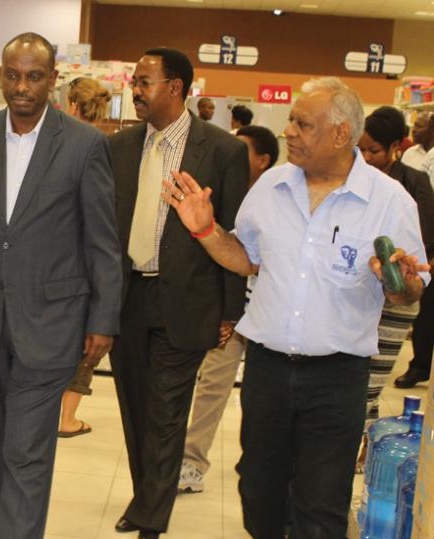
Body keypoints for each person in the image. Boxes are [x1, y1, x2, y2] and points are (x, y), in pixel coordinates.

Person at [162, 77, 430, 539]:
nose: (288, 131)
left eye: (302, 124)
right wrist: (207, 231)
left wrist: (403, 282)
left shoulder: (389, 201)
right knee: (258, 492)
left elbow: (409, 289)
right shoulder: (271, 185)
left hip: (337, 376)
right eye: (291, 121)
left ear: (341, 134)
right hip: (266, 371)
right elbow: (246, 257)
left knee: (321, 504)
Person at [0, 33, 121, 539]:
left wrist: (104, 320)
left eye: (34, 76)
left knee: (26, 456)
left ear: (53, 80)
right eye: (13, 75)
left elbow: (102, 242)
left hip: (52, 326)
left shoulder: (84, 145)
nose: (22, 86)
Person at [107, 47, 249, 539]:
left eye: (145, 81)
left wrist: (232, 310)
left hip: (187, 302)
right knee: (135, 409)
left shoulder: (223, 151)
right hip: (128, 299)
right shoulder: (121, 147)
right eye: (134, 81)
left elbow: (234, 234)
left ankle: (151, 519)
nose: (135, 90)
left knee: (166, 412)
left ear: (176, 87)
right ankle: (145, 496)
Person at [179, 125, 279, 494]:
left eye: (243, 150)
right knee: (212, 385)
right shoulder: (223, 193)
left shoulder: (278, 197)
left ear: (264, 160)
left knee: (264, 397)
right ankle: (191, 461)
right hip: (234, 315)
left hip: (273, 318)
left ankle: (256, 462)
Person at [355, 105, 434, 467]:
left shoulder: (413, 182)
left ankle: (369, 448)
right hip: (359, 291)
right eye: (363, 149)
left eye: (374, 150)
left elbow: (423, 242)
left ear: (393, 148)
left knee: (372, 380)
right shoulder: (354, 179)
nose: (368, 157)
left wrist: (398, 271)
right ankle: (358, 442)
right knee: (355, 375)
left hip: (398, 298)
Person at [58, 75, 112, 438]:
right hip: (90, 264)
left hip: (54, 261)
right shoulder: (108, 147)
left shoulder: (57, 142)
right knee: (86, 347)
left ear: (72, 105)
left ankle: (50, 415)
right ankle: (67, 418)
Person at [395, 109, 434, 389]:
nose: (418, 130)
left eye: (423, 126)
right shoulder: (417, 156)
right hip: (420, 243)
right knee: (425, 313)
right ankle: (420, 366)